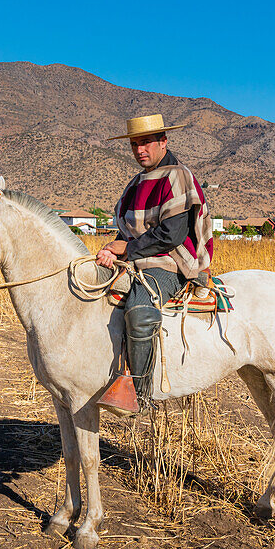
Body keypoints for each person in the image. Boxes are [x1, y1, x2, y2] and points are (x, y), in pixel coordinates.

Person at [95, 114, 213, 413]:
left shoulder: (177, 176)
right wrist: (113, 250)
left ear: (163, 141)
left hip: (171, 260)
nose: (139, 150)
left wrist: (127, 247)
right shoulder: (135, 183)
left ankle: (139, 391)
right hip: (137, 257)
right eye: (135, 144)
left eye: (146, 142)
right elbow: (127, 230)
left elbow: (171, 235)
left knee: (139, 311)